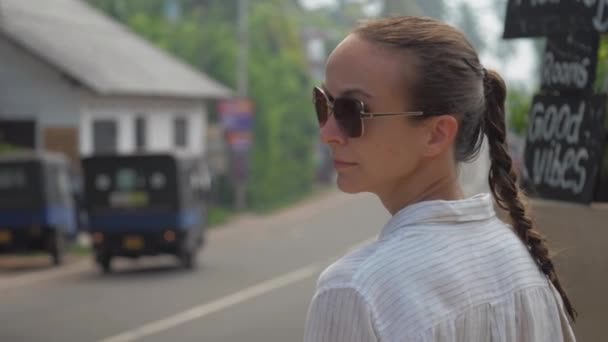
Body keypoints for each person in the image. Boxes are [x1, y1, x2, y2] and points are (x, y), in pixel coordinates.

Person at [304, 16, 576, 342]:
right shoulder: (523, 264)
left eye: (352, 111)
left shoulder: (355, 291)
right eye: (324, 104)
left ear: (436, 134)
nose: (328, 133)